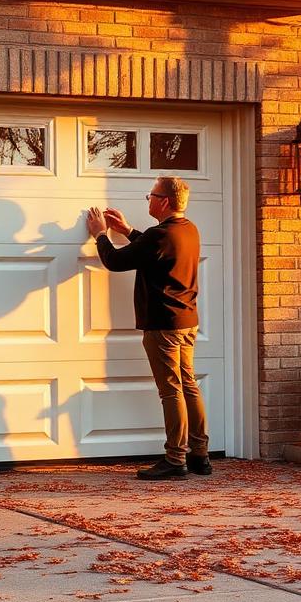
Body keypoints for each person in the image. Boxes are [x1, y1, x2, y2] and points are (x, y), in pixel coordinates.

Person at [85, 176, 211, 480]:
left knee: (171, 390)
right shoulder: (188, 229)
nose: (148, 200)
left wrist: (100, 235)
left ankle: (175, 458)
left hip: (162, 325)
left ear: (164, 201)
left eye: (151, 195)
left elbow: (114, 261)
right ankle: (200, 455)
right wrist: (127, 231)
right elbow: (154, 249)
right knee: (188, 384)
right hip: (186, 321)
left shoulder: (159, 235)